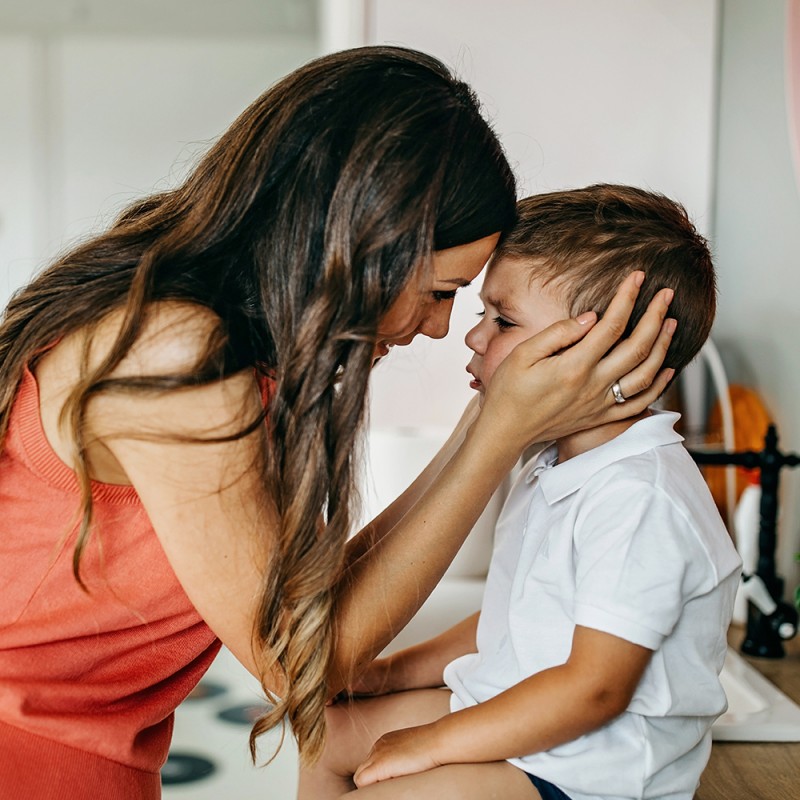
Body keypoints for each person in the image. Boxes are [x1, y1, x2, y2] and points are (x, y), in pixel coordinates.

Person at [0, 44, 675, 799]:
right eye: (438, 290)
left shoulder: (243, 357)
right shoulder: (174, 357)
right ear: (357, 245)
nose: (437, 327)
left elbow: (313, 605)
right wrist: (499, 435)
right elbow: (305, 660)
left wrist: (491, 414)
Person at [300, 184, 741, 800]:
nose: (473, 337)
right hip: (535, 727)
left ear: (608, 352)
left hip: (590, 771)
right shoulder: (551, 459)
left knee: (384, 787)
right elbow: (522, 618)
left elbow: (595, 688)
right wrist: (390, 674)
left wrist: (431, 743)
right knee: (325, 735)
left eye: (503, 320)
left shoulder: (640, 497)